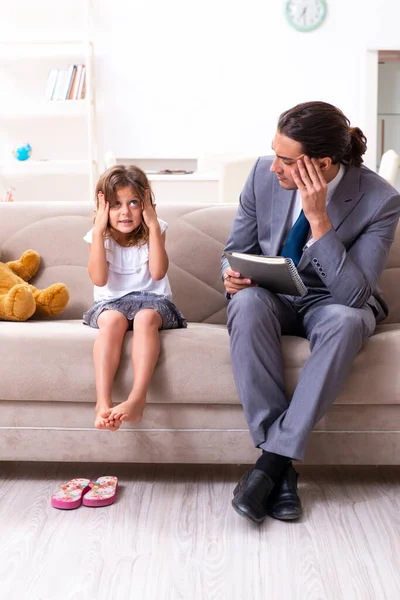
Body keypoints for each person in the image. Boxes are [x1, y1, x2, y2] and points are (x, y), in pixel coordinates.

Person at [222, 101, 400, 524]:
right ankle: (278, 467)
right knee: (245, 303)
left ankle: (269, 467)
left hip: (332, 302)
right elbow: (235, 249)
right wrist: (231, 273)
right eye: (275, 154)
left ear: (321, 164)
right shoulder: (260, 177)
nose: (273, 168)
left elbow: (355, 294)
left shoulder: (381, 200)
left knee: (346, 320)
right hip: (273, 294)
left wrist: (319, 219)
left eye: (286, 161)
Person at [83, 165, 186, 431]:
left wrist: (152, 226)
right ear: (102, 207)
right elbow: (99, 280)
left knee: (144, 318)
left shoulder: (156, 227)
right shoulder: (99, 236)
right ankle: (102, 402)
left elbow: (158, 272)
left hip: (153, 301)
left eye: (133, 203)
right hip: (111, 303)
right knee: (112, 321)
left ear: (146, 204)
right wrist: (97, 232)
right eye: (115, 204)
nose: (125, 212)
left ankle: (137, 400)